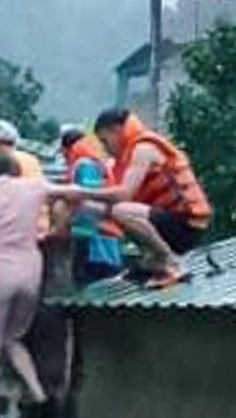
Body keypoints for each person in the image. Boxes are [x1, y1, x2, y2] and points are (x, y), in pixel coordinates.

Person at [0, 152, 101, 418]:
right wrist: (65, 225)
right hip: (31, 268)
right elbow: (76, 193)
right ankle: (37, 392)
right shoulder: (35, 186)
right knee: (11, 337)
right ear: (17, 171)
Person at [90, 108, 214, 289]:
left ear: (116, 130)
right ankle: (151, 262)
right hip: (171, 222)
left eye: (104, 141)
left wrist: (78, 191)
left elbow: (123, 195)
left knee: (120, 211)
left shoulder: (143, 149)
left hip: (187, 225)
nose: (105, 148)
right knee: (111, 211)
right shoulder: (127, 155)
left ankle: (171, 264)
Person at [58, 125, 125, 283]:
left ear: (67, 149)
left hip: (96, 244)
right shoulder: (97, 161)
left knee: (90, 296)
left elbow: (86, 200)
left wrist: (62, 225)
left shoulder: (85, 164)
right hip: (105, 242)